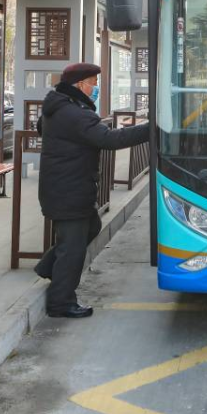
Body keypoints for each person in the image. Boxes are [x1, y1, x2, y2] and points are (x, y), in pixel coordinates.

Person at [34, 62, 150, 318]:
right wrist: (150, 130)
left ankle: (49, 267)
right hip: (69, 190)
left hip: (65, 187)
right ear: (80, 85)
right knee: (72, 248)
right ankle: (61, 302)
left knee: (91, 227)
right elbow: (110, 139)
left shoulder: (59, 107)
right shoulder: (74, 114)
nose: (96, 89)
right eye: (94, 84)